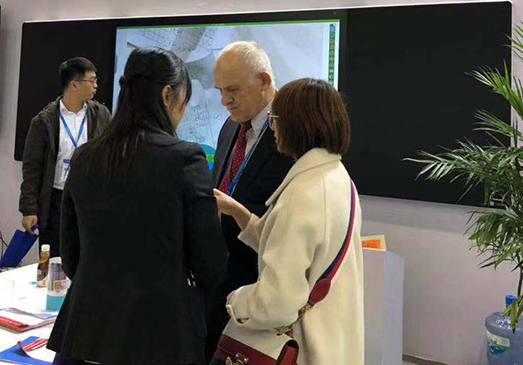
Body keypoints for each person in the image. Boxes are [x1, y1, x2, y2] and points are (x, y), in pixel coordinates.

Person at [48, 46, 227, 365]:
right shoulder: (186, 159)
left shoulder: (85, 157)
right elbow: (209, 265)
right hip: (157, 338)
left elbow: (72, 258)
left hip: (85, 334)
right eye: (184, 101)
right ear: (168, 94)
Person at [210, 78, 364, 365]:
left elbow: (276, 303)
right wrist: (239, 212)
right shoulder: (337, 178)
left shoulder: (302, 193)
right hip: (332, 337)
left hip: (304, 346)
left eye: (275, 119)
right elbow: (300, 249)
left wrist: (237, 300)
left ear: (297, 125)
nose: (272, 128)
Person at [206, 41, 295, 358]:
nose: (224, 101)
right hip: (216, 281)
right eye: (220, 91)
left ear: (264, 81)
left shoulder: (293, 133)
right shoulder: (230, 127)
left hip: (260, 285)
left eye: (233, 90)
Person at [18, 57, 111, 257]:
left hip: (89, 199)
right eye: (92, 80)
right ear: (74, 85)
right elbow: (32, 168)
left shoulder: (101, 115)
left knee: (88, 257)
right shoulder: (44, 121)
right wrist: (29, 209)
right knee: (54, 258)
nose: (96, 86)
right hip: (56, 201)